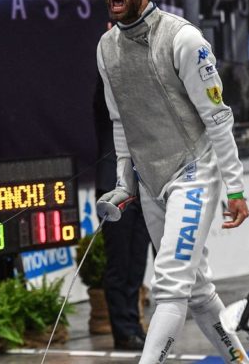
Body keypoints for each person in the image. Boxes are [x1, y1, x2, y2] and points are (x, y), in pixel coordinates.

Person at [95, 0, 249, 363]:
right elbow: (120, 121)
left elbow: (218, 118)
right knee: (197, 291)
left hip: (194, 173)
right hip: (150, 182)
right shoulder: (106, 49)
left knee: (168, 285)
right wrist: (123, 183)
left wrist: (235, 187)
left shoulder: (183, 39)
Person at [94, 70, 151, 351]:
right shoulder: (106, 93)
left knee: (137, 262)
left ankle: (135, 325)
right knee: (119, 262)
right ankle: (123, 331)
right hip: (112, 188)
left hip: (141, 186)